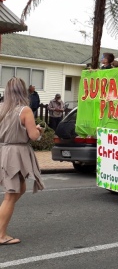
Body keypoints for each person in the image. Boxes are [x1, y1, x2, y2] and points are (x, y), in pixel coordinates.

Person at [0, 77, 45, 246]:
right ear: (23, 91)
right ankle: (1, 234)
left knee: (19, 188)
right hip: (16, 152)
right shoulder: (24, 110)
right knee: (10, 196)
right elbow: (34, 136)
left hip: (3, 150)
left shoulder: (1, 108)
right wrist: (39, 130)